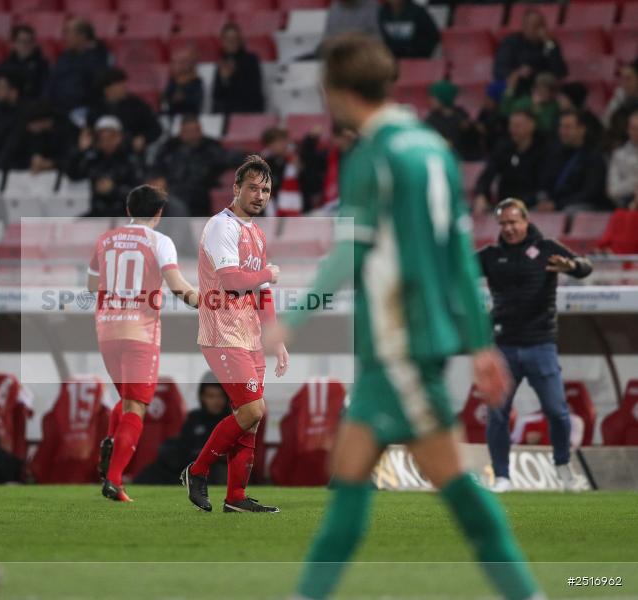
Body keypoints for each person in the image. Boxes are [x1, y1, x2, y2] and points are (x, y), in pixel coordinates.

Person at [263, 34, 544, 600]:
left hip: (399, 347)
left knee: (454, 485)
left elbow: (349, 251)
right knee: (347, 481)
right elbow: (458, 258)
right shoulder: (434, 149)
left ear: (339, 92)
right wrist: (479, 342)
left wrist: (293, 317)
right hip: (401, 349)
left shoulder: (373, 154)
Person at [181, 155, 289, 514]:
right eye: (254, 188)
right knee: (252, 409)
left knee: (252, 418)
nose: (261, 195)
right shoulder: (220, 227)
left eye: (266, 190)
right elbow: (231, 280)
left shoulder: (255, 234)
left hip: (251, 335)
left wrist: (276, 339)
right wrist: (268, 274)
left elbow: (262, 292)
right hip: (222, 332)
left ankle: (236, 498)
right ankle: (196, 472)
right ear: (236, 188)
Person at [89, 185, 199, 502]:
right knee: (136, 406)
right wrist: (207, 303)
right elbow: (177, 285)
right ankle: (114, 481)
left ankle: (111, 439)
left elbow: (90, 284)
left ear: (128, 210)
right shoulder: (159, 241)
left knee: (126, 398)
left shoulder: (105, 239)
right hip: (140, 332)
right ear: (159, 214)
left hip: (106, 330)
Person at [477, 198, 593, 493]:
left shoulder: (547, 249)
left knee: (556, 411)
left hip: (540, 343)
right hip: (503, 347)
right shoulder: (490, 256)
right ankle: (502, 476)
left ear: (526, 221)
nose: (509, 228)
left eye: (513, 222)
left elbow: (585, 268)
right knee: (498, 413)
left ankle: (563, 467)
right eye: (503, 223)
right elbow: (457, 274)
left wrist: (573, 265)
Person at [135, 373, 230, 485]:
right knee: (152, 472)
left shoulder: (232, 421)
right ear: (202, 397)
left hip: (211, 469)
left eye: (220, 396)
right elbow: (184, 444)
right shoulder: (194, 418)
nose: (216, 401)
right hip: (187, 466)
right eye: (211, 396)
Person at [153, 114, 239, 216]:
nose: (193, 135)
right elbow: (156, 168)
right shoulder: (169, 148)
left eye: (196, 131)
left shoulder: (211, 147)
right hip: (171, 191)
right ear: (181, 132)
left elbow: (231, 158)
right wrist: (158, 179)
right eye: (189, 132)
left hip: (200, 193)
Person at [66, 115, 144, 218]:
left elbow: (139, 195)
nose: (106, 141)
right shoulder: (93, 159)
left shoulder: (130, 160)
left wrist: (113, 190)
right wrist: (80, 151)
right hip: (98, 214)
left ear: (119, 137)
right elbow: (73, 174)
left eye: (110, 137)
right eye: (101, 138)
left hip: (124, 215)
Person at [474, 110, 547, 213]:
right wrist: (481, 195)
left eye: (517, 126)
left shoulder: (543, 151)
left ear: (531, 126)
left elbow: (544, 186)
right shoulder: (503, 148)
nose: (513, 129)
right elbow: (487, 175)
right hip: (504, 208)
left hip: (531, 208)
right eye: (511, 125)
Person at [538, 110, 609, 213]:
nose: (562, 132)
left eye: (567, 127)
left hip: (581, 206)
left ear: (582, 129)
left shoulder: (593, 157)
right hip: (554, 204)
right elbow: (545, 183)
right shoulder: (555, 154)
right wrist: (543, 200)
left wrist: (558, 204)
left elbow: (590, 192)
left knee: (569, 211)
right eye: (561, 127)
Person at [44, 17, 110, 118]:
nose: (65, 37)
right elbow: (52, 82)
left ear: (82, 36)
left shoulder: (98, 57)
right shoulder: (64, 57)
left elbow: (97, 87)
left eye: (68, 33)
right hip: (57, 109)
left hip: (82, 110)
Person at [88, 67, 163, 154]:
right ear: (107, 89)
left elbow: (156, 128)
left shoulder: (136, 105)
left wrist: (143, 138)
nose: (124, 87)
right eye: (119, 84)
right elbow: (90, 131)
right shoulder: (96, 108)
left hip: (130, 154)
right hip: (102, 155)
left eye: (124, 83)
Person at [493, 8, 567, 96]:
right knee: (495, 89)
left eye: (542, 26)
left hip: (543, 86)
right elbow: (499, 69)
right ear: (525, 27)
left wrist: (548, 43)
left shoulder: (550, 44)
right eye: (536, 26)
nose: (540, 30)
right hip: (518, 84)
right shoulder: (511, 42)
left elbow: (559, 72)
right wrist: (517, 73)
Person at [212, 23, 264, 114]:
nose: (231, 42)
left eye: (235, 39)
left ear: (240, 41)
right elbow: (216, 95)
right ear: (222, 42)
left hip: (247, 111)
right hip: (226, 113)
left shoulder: (251, 60)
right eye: (228, 39)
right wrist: (224, 79)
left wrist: (234, 74)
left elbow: (255, 91)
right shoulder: (222, 62)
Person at [424, 80, 478, 159]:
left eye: (433, 98)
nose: (430, 100)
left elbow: (470, 146)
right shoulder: (431, 119)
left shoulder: (461, 118)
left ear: (443, 98)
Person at [0, 24, 49, 101]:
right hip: (6, 107)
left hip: (31, 107)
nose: (25, 45)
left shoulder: (43, 66)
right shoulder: (3, 67)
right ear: (14, 44)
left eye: (29, 41)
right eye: (21, 41)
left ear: (34, 44)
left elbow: (44, 93)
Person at [607, 111, 638, 208]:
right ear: (628, 129)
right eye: (634, 128)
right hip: (625, 204)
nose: (637, 132)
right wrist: (635, 185)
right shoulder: (618, 155)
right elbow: (613, 190)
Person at [163, 45, 203, 116]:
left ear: (192, 63)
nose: (181, 65)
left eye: (185, 61)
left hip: (191, 116)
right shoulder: (173, 81)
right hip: (172, 116)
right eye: (178, 62)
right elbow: (166, 99)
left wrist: (184, 99)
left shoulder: (196, 81)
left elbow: (197, 101)